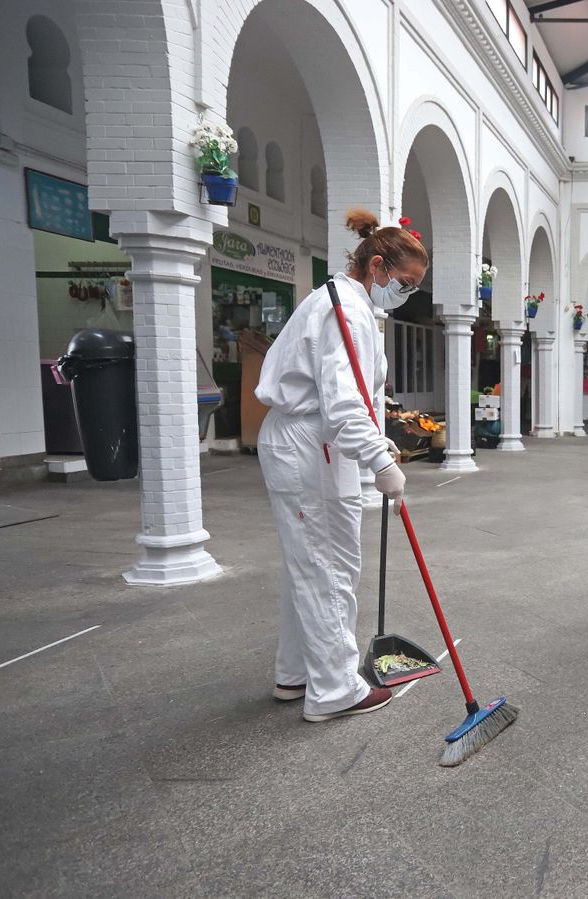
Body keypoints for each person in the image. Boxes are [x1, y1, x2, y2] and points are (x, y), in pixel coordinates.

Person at [255, 208, 427, 722]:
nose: (408, 293)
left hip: (315, 442)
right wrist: (378, 459)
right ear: (376, 266)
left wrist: (380, 442)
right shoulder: (345, 311)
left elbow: (357, 396)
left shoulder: (349, 306)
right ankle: (333, 690)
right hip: (308, 444)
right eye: (406, 283)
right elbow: (343, 402)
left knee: (311, 564)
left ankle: (296, 673)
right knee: (326, 565)